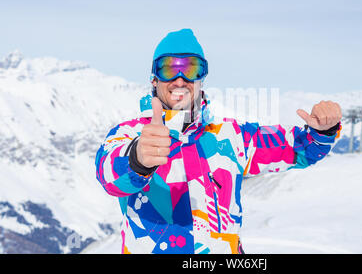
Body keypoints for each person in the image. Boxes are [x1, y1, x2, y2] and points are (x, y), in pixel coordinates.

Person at [95, 28, 343, 254]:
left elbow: (299, 149)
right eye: (169, 68)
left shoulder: (232, 137)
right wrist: (138, 159)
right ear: (154, 78)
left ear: (201, 78)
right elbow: (109, 175)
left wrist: (323, 131)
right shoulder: (130, 134)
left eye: (191, 69)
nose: (180, 79)